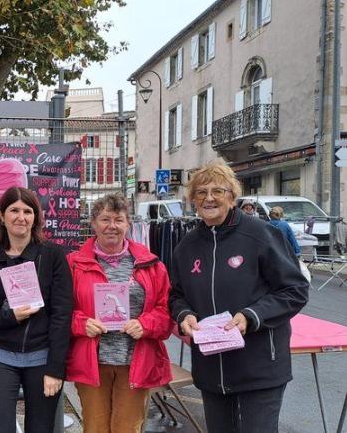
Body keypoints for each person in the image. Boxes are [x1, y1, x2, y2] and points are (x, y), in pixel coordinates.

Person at [168, 161, 309, 433]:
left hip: (258, 369)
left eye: (217, 191)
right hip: (211, 370)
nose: (209, 198)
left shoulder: (261, 235)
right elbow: (177, 295)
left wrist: (251, 316)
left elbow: (295, 290)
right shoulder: (186, 246)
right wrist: (184, 315)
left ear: (231, 197)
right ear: (193, 200)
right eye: (201, 192)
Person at [0, 186, 73, 433]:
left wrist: (56, 369)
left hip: (42, 355)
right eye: (14, 210)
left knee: (40, 428)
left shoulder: (53, 256)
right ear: (1, 216)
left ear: (35, 217)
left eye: (28, 211)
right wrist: (8, 316)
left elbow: (61, 314)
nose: (21, 217)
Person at [66, 192, 173, 433]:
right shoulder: (73, 264)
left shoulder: (152, 264)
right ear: (93, 224)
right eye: (105, 219)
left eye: (118, 219)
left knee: (128, 428)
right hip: (92, 360)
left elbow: (166, 312)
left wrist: (146, 324)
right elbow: (60, 312)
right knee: (95, 428)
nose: (111, 226)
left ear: (128, 224)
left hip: (135, 359)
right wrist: (81, 323)